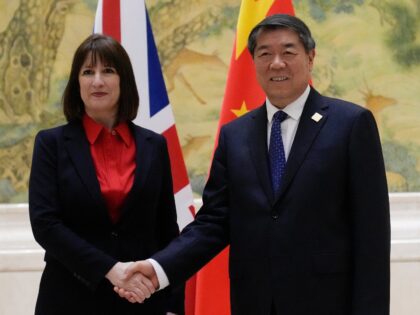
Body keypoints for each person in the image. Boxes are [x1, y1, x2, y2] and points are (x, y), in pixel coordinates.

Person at [119, 14, 390, 315]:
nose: (276, 63)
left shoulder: (350, 124)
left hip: (327, 303)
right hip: (255, 302)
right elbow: (213, 223)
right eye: (265, 54)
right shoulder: (235, 135)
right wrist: (158, 268)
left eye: (288, 52)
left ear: (310, 57)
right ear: (253, 62)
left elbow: (372, 235)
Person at [29, 34, 184, 315]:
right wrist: (111, 270)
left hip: (141, 301)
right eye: (88, 72)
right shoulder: (50, 144)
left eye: (108, 71)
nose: (97, 81)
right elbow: (45, 225)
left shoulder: (154, 146)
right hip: (69, 299)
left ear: (123, 80)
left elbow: (166, 231)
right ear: (77, 83)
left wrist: (173, 304)